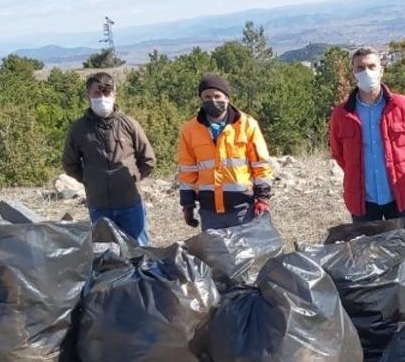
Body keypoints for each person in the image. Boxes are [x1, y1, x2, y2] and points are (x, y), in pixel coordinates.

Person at [329, 47, 405, 227]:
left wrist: (404, 167)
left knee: (402, 244)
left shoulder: (404, 106)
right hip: (363, 200)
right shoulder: (341, 114)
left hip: (399, 195)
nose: (366, 72)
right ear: (353, 73)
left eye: (372, 66)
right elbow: (339, 154)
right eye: (360, 68)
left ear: (381, 70)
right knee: (366, 245)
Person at [62, 72, 156, 245]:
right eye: (97, 93)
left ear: (115, 95)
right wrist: (90, 180)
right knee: (106, 253)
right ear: (88, 95)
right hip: (99, 205)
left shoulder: (129, 124)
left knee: (139, 250)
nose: (102, 98)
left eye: (107, 92)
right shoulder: (78, 129)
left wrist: (132, 179)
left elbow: (148, 159)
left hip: (130, 203)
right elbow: (70, 164)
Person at [177, 73, 274, 231]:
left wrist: (262, 198)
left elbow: (260, 164)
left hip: (242, 208)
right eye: (207, 97)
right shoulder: (190, 130)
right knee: (214, 248)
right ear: (201, 99)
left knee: (244, 248)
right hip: (209, 210)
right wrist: (187, 203)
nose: (213, 101)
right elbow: (187, 170)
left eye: (217, 96)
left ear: (227, 98)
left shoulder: (247, 125)